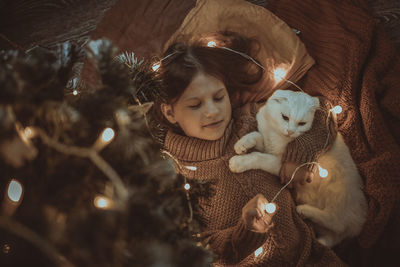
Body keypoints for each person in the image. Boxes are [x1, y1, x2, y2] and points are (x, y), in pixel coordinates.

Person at [150, 32, 345, 266]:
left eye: (219, 98)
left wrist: (298, 155)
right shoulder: (176, 175)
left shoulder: (250, 119)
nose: (212, 111)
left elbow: (322, 111)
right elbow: (204, 247)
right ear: (169, 112)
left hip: (310, 254)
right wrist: (246, 230)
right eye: (196, 105)